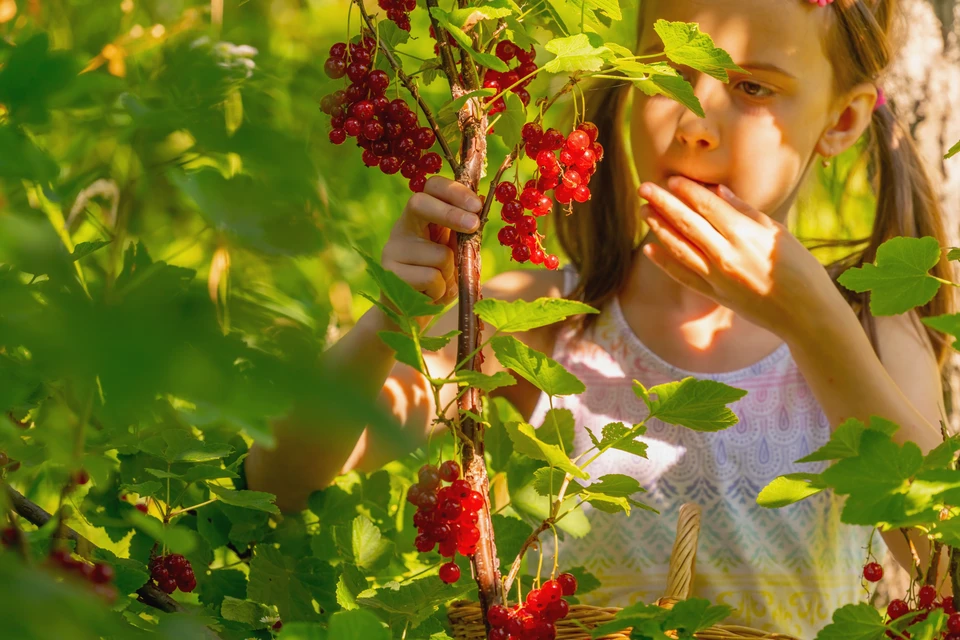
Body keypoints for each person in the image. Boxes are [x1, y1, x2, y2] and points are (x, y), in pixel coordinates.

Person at [245, 0, 957, 635]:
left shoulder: (869, 332)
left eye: (751, 87)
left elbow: (943, 565)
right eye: (663, 74)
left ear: (843, 120)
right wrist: (391, 318)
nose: (690, 121)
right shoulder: (546, 318)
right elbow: (281, 479)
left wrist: (812, 321)